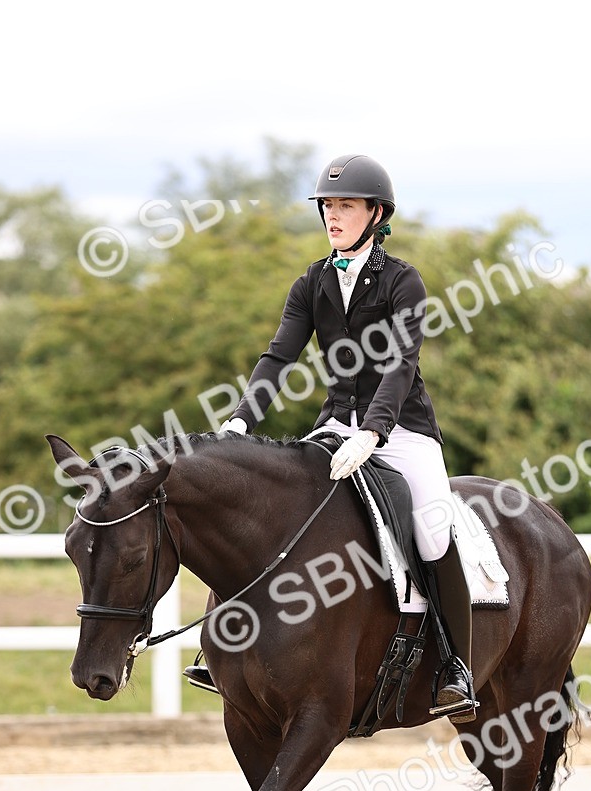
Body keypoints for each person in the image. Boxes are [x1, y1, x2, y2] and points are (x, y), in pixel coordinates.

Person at [186, 153, 477, 722]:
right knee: (270, 512)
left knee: (433, 529)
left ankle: (455, 667)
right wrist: (241, 421)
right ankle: (221, 647)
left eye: (346, 206)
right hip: (335, 426)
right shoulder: (313, 281)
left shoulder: (402, 281)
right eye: (328, 206)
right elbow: (278, 357)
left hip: (404, 431)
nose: (333, 216)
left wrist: (374, 431)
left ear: (376, 214)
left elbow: (401, 364)